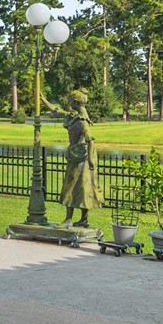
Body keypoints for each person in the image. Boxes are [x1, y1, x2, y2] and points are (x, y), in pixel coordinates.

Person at [61, 89, 101, 226]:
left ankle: (69, 219)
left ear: (76, 102)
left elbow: (90, 139)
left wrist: (90, 159)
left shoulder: (82, 120)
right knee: (83, 188)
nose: (69, 103)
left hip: (80, 158)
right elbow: (57, 112)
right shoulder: (75, 116)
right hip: (77, 157)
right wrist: (43, 100)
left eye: (70, 101)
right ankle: (83, 220)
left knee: (72, 187)